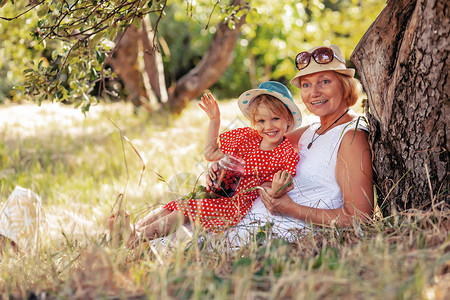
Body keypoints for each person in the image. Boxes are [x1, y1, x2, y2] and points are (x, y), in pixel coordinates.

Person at [110, 81, 303, 246]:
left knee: (186, 211)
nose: (268, 126)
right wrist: (214, 120)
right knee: (177, 204)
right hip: (219, 189)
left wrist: (278, 188)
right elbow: (211, 153)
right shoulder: (247, 137)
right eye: (261, 120)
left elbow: (275, 187)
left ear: (288, 119)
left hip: (234, 202)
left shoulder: (285, 152)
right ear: (254, 122)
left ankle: (136, 237)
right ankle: (132, 230)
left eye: (275, 119)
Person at [217, 44, 374, 245]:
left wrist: (290, 208)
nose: (313, 93)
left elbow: (359, 216)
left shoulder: (351, 136)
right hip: (243, 220)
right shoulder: (312, 130)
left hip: (275, 237)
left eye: (324, 81)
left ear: (345, 86)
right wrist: (223, 166)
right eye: (306, 85)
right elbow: (256, 148)